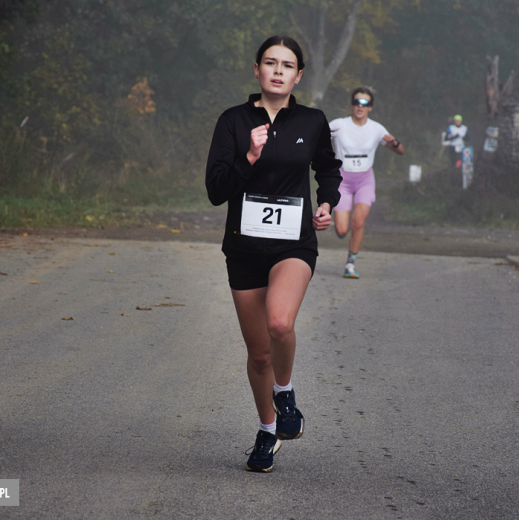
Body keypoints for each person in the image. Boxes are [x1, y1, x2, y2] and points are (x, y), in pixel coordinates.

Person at [205, 35, 342, 472]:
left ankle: (285, 393)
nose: (278, 70)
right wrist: (248, 154)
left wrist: (326, 202)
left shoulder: (313, 121)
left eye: (287, 65)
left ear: (298, 75)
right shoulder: (232, 121)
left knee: (280, 322)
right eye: (270, 62)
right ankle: (268, 431)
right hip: (243, 248)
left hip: (293, 243)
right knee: (258, 352)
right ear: (257, 69)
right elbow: (215, 190)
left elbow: (328, 169)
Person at [329, 87, 404, 279]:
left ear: (370, 107)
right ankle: (340, 229)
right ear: (352, 105)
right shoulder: (338, 125)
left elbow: (400, 150)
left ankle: (350, 264)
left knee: (359, 222)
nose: (360, 106)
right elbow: (316, 138)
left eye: (365, 103)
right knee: (341, 229)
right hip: (342, 179)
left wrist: (393, 143)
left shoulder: (377, 128)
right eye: (357, 102)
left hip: (364, 179)